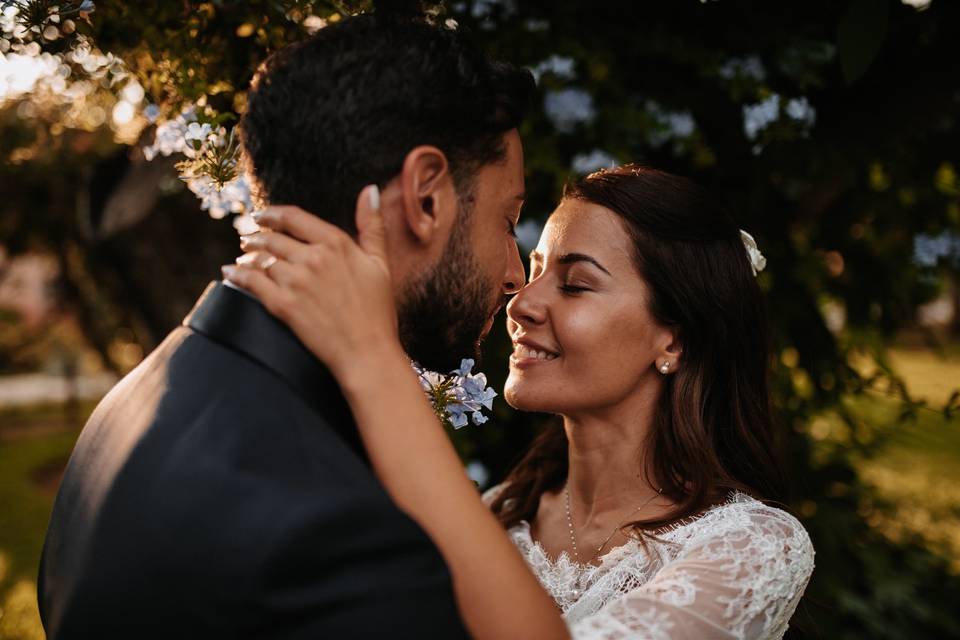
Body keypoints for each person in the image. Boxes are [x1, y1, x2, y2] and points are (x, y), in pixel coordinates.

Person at [37, 6, 539, 639]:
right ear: (426, 196)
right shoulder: (332, 521)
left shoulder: (132, 400)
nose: (516, 275)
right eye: (506, 218)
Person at [225, 165, 816, 639]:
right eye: (533, 272)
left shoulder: (751, 549)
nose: (521, 303)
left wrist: (373, 363)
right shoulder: (496, 516)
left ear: (674, 339)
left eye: (576, 283)